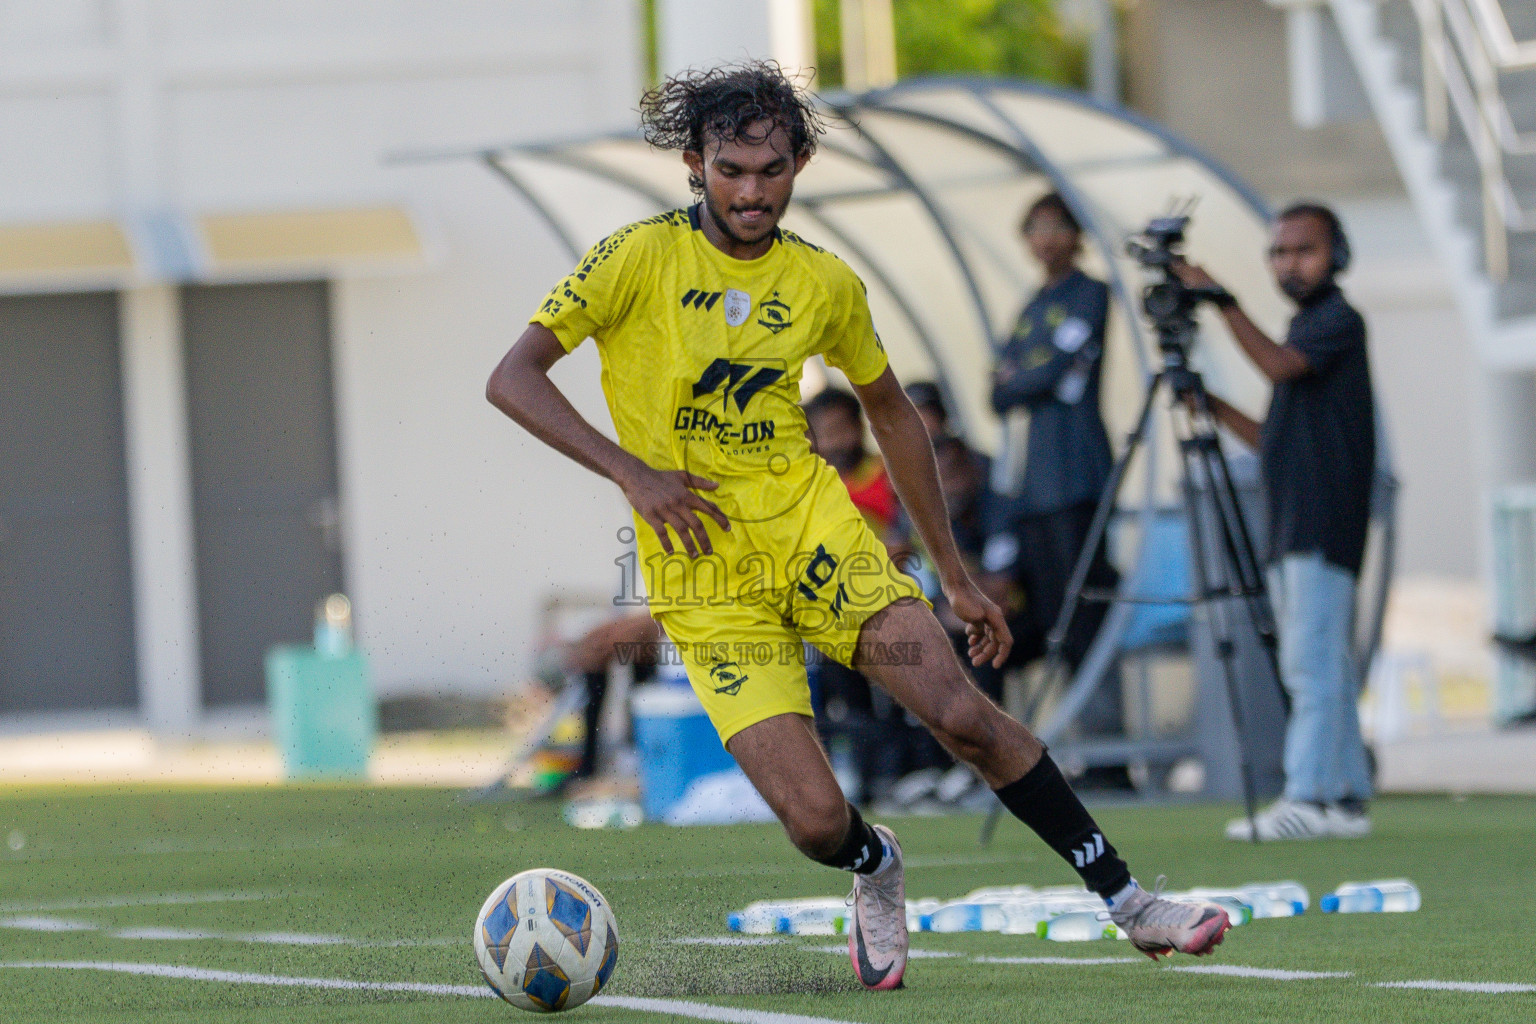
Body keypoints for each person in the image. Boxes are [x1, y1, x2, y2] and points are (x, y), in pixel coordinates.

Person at [486, 61, 1229, 989]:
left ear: (798, 163)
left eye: (770, 170)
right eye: (730, 171)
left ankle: (1130, 902)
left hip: (815, 539)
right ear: (694, 166)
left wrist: (954, 577)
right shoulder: (635, 257)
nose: (751, 192)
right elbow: (512, 377)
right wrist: (632, 474)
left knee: (961, 712)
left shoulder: (824, 281)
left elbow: (891, 412)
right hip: (706, 581)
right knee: (812, 822)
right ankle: (874, 864)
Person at [1173, 202, 1376, 841]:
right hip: (1298, 523)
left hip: (1319, 522)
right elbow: (1271, 439)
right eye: (1280, 252)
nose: (1290, 264)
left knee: (1310, 668)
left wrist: (1220, 301)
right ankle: (1344, 798)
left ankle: (1309, 795)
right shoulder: (1305, 331)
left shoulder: (1335, 323)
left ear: (1336, 254)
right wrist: (1210, 402)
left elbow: (1280, 366)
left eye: (1304, 250)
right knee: (1325, 669)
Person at [985, 193, 1128, 786]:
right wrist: (1026, 377)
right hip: (1035, 487)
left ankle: (1110, 757)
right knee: (1051, 616)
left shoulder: (1090, 293)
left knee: (1087, 609)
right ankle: (1064, 751)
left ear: (1076, 233)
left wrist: (1027, 376)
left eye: (1054, 227)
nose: (1044, 240)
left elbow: (1041, 372)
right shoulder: (1033, 305)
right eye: (1034, 228)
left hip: (1079, 477)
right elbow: (1000, 391)